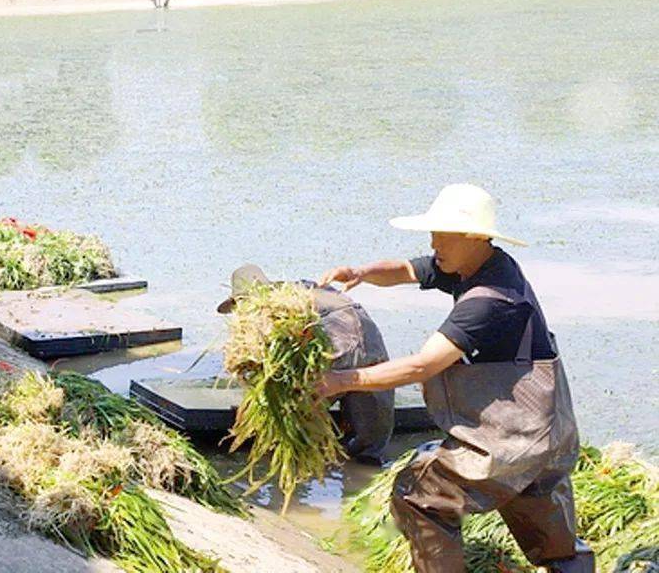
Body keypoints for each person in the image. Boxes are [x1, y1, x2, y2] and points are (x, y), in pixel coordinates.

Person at [317, 183, 592, 573]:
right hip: (548, 434)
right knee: (553, 544)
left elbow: (422, 366)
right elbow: (410, 270)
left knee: (420, 496)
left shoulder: (489, 301)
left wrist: (340, 381)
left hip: (511, 439)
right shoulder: (481, 264)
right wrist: (361, 273)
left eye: (443, 234)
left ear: (476, 236)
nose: (434, 242)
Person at [217, 264, 394, 464]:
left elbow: (275, 364)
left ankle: (300, 471)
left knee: (292, 421)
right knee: (371, 444)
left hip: (336, 346)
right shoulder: (306, 289)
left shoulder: (271, 308)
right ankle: (363, 476)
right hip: (371, 343)